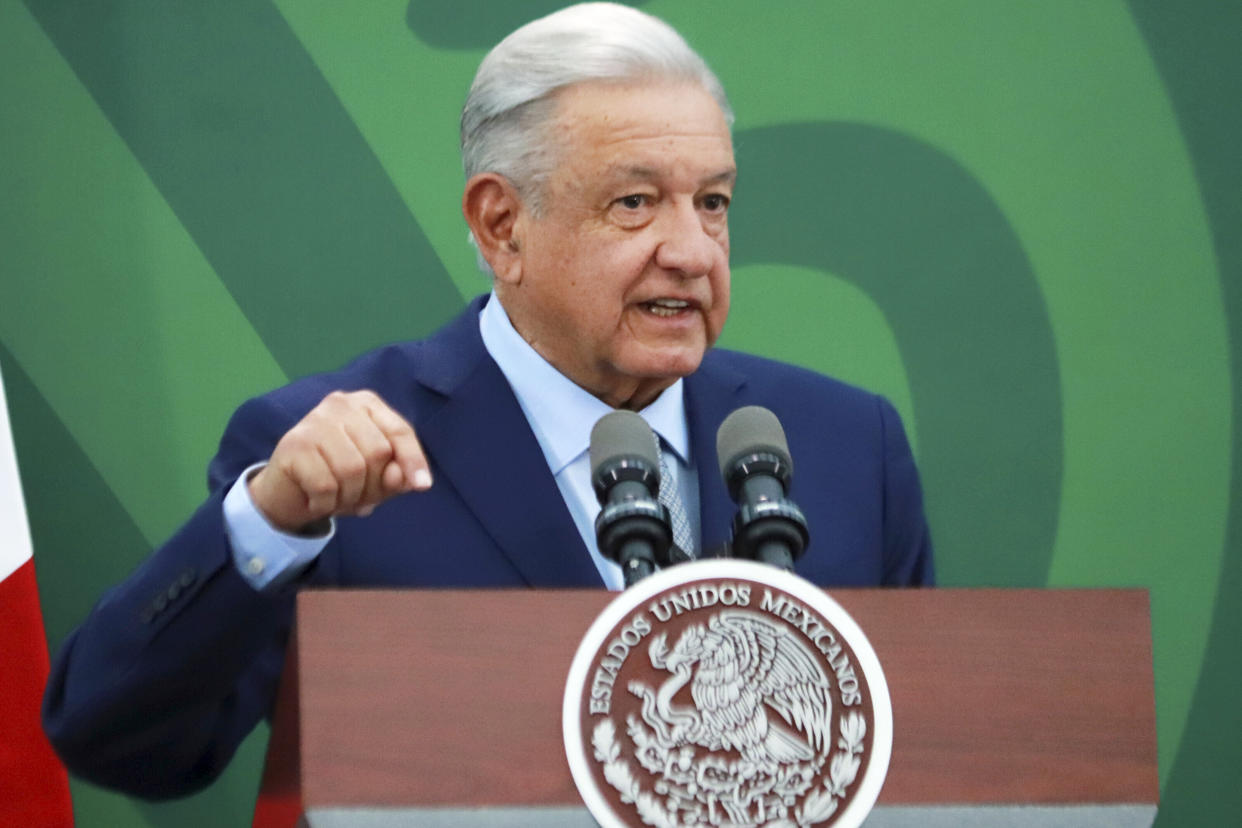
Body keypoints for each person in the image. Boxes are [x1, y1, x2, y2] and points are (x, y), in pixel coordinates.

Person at [42, 2, 933, 799]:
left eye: (712, 203)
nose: (693, 252)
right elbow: (122, 744)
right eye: (636, 203)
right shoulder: (331, 463)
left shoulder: (847, 445)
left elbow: (934, 770)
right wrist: (269, 525)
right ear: (502, 225)